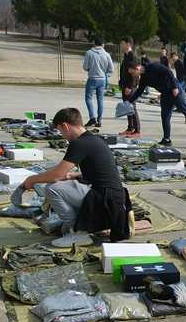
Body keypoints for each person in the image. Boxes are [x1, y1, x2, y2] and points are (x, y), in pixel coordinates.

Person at [22, 108, 132, 248]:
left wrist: (32, 179)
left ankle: (78, 233)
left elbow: (56, 175)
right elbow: (100, 172)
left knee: (52, 188)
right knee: (65, 184)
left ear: (65, 126)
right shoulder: (94, 139)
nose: (62, 136)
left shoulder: (79, 143)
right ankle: (85, 225)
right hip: (114, 200)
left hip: (104, 200)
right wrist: (71, 175)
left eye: (60, 131)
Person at [127, 60, 186, 146]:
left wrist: (174, 87)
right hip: (165, 94)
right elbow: (139, 91)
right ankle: (167, 139)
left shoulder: (153, 66)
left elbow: (168, 72)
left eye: (132, 73)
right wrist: (129, 102)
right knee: (165, 116)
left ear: (137, 68)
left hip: (175, 91)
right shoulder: (144, 78)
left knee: (185, 111)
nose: (132, 75)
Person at [82, 38, 113, 128]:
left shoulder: (89, 53)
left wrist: (90, 69)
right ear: (103, 44)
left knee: (88, 98)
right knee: (100, 100)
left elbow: (85, 67)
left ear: (94, 43)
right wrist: (106, 74)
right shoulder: (106, 54)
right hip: (102, 79)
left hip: (92, 78)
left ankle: (92, 118)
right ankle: (99, 120)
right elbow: (111, 69)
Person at [118, 37, 141, 137]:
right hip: (124, 85)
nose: (121, 45)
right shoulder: (126, 55)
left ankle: (137, 131)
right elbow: (124, 71)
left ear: (128, 44)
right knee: (127, 107)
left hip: (130, 87)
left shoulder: (133, 57)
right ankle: (130, 128)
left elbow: (135, 74)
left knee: (132, 107)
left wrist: (130, 87)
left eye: (123, 43)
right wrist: (121, 83)